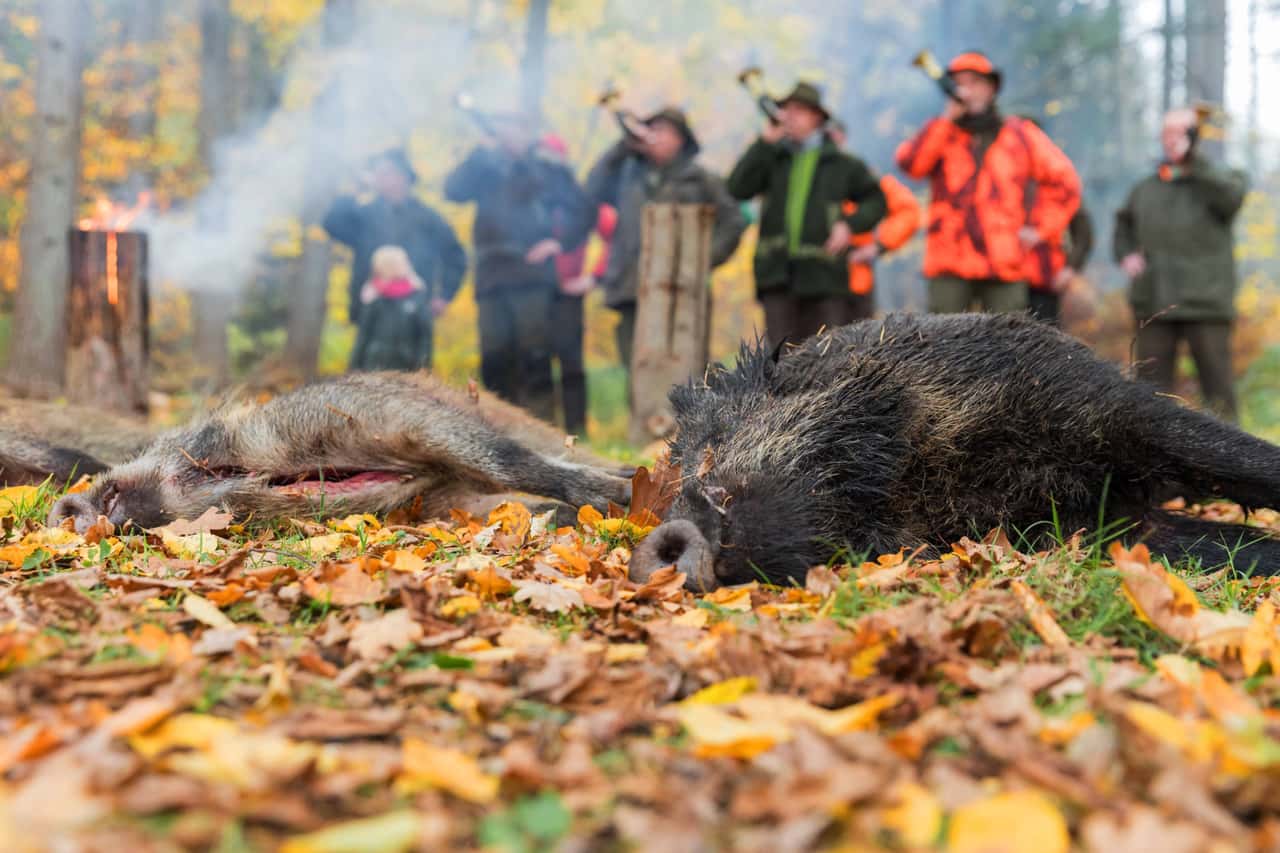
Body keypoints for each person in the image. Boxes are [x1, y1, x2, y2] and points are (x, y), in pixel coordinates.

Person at [895, 52, 1081, 315]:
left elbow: (1065, 182)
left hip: (1004, 262)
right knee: (943, 348)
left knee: (1010, 347)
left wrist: (1040, 229)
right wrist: (946, 120)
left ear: (991, 88)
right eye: (959, 83)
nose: (966, 90)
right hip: (949, 262)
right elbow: (911, 165)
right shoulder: (942, 131)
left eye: (974, 82)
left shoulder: (1020, 134)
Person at [445, 115, 593, 422]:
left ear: (530, 131)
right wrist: (478, 152)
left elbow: (585, 209)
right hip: (492, 275)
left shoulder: (547, 167)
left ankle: (541, 429)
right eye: (507, 126)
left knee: (535, 356)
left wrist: (559, 242)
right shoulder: (485, 166)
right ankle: (500, 428)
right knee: (494, 358)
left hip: (533, 276)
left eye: (519, 126)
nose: (512, 133)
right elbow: (453, 191)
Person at [584, 108, 745, 373]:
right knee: (638, 370)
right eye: (652, 129)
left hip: (681, 291)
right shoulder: (626, 174)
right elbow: (591, 190)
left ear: (680, 139)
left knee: (685, 371)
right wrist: (624, 147)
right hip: (631, 287)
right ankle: (642, 417)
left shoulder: (701, 179)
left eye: (664, 131)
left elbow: (734, 221)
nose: (655, 137)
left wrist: (704, 260)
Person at [727, 82, 887, 346]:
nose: (789, 116)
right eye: (785, 109)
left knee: (825, 358)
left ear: (817, 117)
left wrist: (849, 225)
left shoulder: (842, 164)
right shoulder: (771, 158)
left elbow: (876, 200)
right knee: (780, 362)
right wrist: (764, 143)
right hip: (776, 277)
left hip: (825, 278)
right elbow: (736, 188)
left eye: (798, 110)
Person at [1114, 107, 1249, 420]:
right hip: (1155, 299)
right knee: (1148, 392)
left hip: (1205, 301)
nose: (1171, 140)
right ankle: (1151, 460)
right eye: (1166, 133)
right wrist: (1127, 254)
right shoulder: (1147, 187)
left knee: (1219, 391)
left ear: (1195, 136)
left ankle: (1232, 462)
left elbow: (1231, 200)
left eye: (1180, 132)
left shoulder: (1220, 180)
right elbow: (1124, 225)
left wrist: (1195, 163)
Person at [323, 149, 466, 371]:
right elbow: (332, 224)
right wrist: (356, 189)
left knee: (413, 376)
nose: (381, 178)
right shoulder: (365, 215)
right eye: (378, 173)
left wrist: (445, 295)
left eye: (387, 173)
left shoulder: (428, 218)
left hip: (414, 311)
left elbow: (456, 256)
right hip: (370, 308)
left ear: (405, 177)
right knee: (364, 371)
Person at [828, 119, 922, 322]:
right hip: (809, 286)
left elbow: (909, 211)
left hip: (856, 284)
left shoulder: (860, 177)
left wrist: (879, 245)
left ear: (842, 139)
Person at [349, 245, 434, 371]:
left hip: (408, 367)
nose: (407, 265)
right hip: (374, 365)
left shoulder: (416, 295)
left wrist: (424, 366)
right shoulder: (373, 295)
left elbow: (425, 338)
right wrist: (354, 367)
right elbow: (363, 336)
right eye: (404, 262)